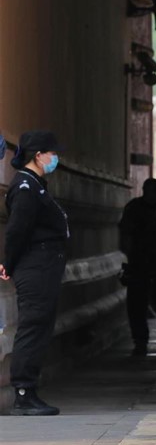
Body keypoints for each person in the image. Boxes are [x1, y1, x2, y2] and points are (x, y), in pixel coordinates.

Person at [0, 131, 69, 416]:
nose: (55, 158)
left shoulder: (36, 184)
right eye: (52, 153)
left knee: (40, 326)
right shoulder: (26, 188)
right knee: (33, 326)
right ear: (38, 155)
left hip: (44, 266)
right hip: (35, 267)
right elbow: (17, 229)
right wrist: (8, 262)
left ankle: (29, 389)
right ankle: (24, 391)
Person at [119, 178, 156, 355]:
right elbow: (125, 235)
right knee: (138, 304)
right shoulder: (136, 208)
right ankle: (141, 340)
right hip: (140, 261)